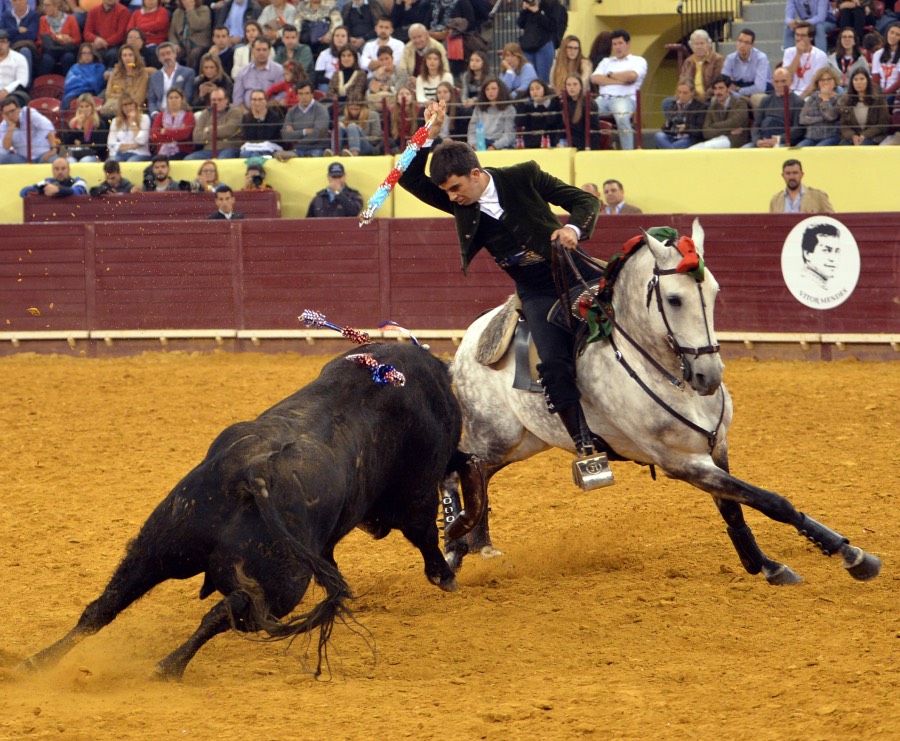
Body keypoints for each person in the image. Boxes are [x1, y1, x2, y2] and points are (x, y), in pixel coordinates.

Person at [397, 98, 609, 486]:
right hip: (536, 291)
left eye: (457, 188)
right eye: (446, 192)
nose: (452, 197)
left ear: (476, 174)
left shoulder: (523, 176)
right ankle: (586, 446)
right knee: (551, 363)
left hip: (576, 273)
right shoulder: (460, 204)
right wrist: (427, 131)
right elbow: (407, 177)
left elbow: (585, 201)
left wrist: (572, 230)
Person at [589, 29, 647, 150]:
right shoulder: (606, 62)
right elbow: (595, 78)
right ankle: (589, 148)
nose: (617, 47)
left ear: (628, 44)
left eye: (620, 43)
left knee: (622, 117)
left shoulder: (638, 61)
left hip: (624, 99)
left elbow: (632, 76)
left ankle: (628, 153)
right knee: (584, 113)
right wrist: (621, 80)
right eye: (614, 44)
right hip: (603, 99)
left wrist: (609, 76)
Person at [745, 67, 804, 147]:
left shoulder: (798, 102)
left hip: (783, 142)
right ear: (772, 82)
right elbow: (756, 125)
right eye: (776, 82)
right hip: (762, 140)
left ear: (791, 81)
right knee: (744, 150)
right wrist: (758, 141)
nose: (779, 85)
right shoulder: (766, 100)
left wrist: (777, 140)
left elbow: (797, 130)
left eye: (783, 81)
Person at [689, 75, 751, 149]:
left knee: (707, 147)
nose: (718, 92)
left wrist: (714, 126)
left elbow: (734, 123)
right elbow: (706, 132)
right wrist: (729, 130)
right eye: (715, 89)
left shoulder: (740, 103)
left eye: (721, 88)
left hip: (735, 140)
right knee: (697, 148)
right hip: (716, 139)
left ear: (728, 88)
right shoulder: (713, 106)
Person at [516, 0, 566, 84]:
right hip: (528, 45)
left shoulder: (552, 6)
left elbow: (552, 26)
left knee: (543, 80)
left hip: (543, 45)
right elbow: (520, 23)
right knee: (528, 80)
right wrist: (524, 10)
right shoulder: (530, 4)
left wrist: (537, 12)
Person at [277, 79, 329, 157]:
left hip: (317, 148)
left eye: (307, 93)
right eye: (300, 94)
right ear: (296, 95)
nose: (304, 97)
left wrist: (295, 135)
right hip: (297, 149)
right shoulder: (292, 111)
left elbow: (318, 134)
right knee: (280, 157)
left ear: (312, 94)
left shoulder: (321, 110)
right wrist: (304, 131)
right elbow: (286, 136)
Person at [188, 86, 243, 158]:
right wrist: (220, 135)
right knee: (189, 159)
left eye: (219, 100)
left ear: (226, 100)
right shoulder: (205, 113)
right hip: (208, 150)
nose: (216, 102)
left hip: (229, 148)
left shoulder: (235, 111)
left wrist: (208, 129)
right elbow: (196, 137)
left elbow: (229, 130)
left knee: (222, 160)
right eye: (213, 100)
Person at [838, 68, 890, 144]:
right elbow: (843, 125)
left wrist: (864, 135)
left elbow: (883, 124)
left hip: (873, 136)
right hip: (852, 137)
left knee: (864, 146)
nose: (859, 82)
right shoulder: (845, 100)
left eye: (862, 79)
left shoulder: (878, 99)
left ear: (868, 81)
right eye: (855, 80)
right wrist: (852, 136)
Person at [0, 95, 57, 163]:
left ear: (19, 109)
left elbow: (48, 127)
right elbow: (6, 147)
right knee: (2, 158)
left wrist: (53, 150)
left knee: (54, 161)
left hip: (42, 154)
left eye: (12, 111)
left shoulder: (29, 113)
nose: (10, 115)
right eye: (7, 113)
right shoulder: (4, 125)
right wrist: (11, 127)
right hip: (23, 158)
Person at [722, 28, 772, 103]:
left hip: (759, 89)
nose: (742, 45)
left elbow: (760, 87)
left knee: (757, 99)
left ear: (753, 45)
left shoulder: (761, 58)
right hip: (738, 86)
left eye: (746, 42)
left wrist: (739, 90)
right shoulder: (730, 58)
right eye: (740, 41)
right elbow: (723, 81)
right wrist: (736, 93)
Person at [653, 79, 706, 149]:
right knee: (659, 135)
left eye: (685, 93)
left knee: (676, 145)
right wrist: (668, 125)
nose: (681, 96)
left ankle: (670, 153)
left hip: (689, 137)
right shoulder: (673, 105)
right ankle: (672, 153)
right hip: (674, 136)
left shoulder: (700, 106)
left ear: (692, 92)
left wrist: (685, 128)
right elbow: (665, 129)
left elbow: (700, 131)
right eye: (679, 92)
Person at [797, 66, 843, 146]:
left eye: (829, 79)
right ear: (818, 83)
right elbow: (802, 119)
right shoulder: (812, 98)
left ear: (835, 81)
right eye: (822, 80)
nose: (825, 82)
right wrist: (822, 118)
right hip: (811, 137)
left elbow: (831, 116)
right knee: (799, 148)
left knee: (819, 149)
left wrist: (825, 99)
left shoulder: (839, 99)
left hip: (830, 136)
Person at [233, 37, 283, 110]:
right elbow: (237, 99)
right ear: (252, 51)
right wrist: (247, 115)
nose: (261, 53)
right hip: (247, 114)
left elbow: (282, 94)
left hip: (271, 112)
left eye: (264, 50)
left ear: (269, 51)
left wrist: (267, 109)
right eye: (258, 50)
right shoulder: (242, 72)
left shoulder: (279, 70)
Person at [783, 21, 830, 98]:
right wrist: (798, 54)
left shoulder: (820, 56)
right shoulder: (788, 52)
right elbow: (787, 76)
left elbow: (814, 83)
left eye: (803, 36)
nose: (798, 39)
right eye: (797, 35)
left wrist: (800, 99)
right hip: (790, 93)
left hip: (810, 95)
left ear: (811, 37)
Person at [101, 43, 151, 116]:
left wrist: (119, 98)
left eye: (130, 55)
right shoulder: (116, 72)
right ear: (121, 58)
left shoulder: (143, 75)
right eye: (124, 55)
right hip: (114, 108)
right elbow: (108, 94)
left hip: (134, 110)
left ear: (135, 57)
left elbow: (139, 98)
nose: (127, 58)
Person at [769, 158, 835, 213]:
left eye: (795, 173)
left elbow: (833, 220)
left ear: (802, 174)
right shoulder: (775, 200)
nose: (791, 177)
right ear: (783, 176)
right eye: (788, 173)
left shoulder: (818, 196)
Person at [467, 76, 516, 150]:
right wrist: (474, 144)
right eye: (487, 89)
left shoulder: (509, 109)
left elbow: (509, 135)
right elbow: (471, 131)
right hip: (481, 145)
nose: (490, 92)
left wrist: (494, 146)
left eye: (493, 89)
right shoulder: (478, 108)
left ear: (500, 90)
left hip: (501, 147)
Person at [148, 41, 196, 115]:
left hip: (180, 112)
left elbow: (187, 97)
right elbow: (151, 99)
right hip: (159, 114)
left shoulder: (188, 73)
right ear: (159, 58)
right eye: (162, 55)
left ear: (175, 54)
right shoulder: (154, 76)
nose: (166, 57)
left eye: (168, 53)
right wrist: (154, 113)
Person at [37, 0, 81, 77]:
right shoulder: (43, 19)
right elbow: (40, 39)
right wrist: (54, 39)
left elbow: (77, 39)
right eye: (44, 5)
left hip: (66, 49)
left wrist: (69, 40)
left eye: (47, 5)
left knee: (68, 57)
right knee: (47, 59)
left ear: (56, 6)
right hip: (50, 51)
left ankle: (69, 84)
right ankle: (42, 85)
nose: (44, 8)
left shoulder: (70, 19)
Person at [60, 92, 108, 161]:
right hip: (75, 154)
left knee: (85, 160)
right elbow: (67, 144)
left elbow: (98, 146)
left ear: (92, 107)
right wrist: (78, 128)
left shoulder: (99, 124)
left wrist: (81, 143)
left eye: (87, 106)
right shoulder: (73, 123)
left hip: (93, 155)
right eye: (81, 106)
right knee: (70, 161)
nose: (84, 109)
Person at [1, 0, 40, 84]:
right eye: (14, 0)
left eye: (19, 0)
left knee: (25, 51)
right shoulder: (6, 16)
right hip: (7, 46)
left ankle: (24, 86)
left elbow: (31, 36)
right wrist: (17, 30)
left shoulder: (34, 15)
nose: (17, 2)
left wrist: (11, 35)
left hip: (26, 46)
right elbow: (2, 34)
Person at [515, 77, 561, 147]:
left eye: (537, 88)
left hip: (552, 144)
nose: (534, 92)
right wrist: (522, 106)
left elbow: (556, 124)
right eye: (532, 89)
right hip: (532, 144)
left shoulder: (555, 104)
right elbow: (519, 122)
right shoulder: (527, 107)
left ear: (544, 89)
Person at [150, 87, 195, 157]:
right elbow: (154, 135)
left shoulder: (188, 115)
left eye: (176, 97)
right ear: (167, 100)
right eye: (170, 98)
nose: (173, 100)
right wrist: (175, 135)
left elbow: (184, 135)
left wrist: (165, 131)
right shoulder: (160, 115)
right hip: (162, 152)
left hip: (182, 151)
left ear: (182, 100)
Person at [559, 73, 600, 150]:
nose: (571, 87)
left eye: (575, 84)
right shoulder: (563, 103)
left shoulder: (589, 104)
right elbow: (561, 127)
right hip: (569, 145)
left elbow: (594, 129)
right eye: (569, 85)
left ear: (581, 86)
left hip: (584, 145)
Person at [107, 92, 152, 160]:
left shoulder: (144, 118)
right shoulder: (115, 121)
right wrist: (132, 146)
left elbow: (142, 141)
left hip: (139, 154)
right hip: (120, 154)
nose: (128, 107)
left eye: (130, 104)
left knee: (131, 161)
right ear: (121, 107)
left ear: (135, 105)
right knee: (111, 162)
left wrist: (133, 122)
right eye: (124, 105)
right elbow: (111, 144)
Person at [168, 0, 210, 70]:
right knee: (172, 52)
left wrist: (190, 10)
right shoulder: (177, 12)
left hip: (198, 44)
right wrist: (174, 44)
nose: (187, 1)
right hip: (182, 43)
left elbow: (198, 25)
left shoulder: (204, 10)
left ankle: (191, 75)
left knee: (194, 54)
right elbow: (172, 32)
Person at [798, 222, 841, 289]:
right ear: (807, 254)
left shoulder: (820, 286)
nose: (833, 258)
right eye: (826, 250)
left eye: (837, 251)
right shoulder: (805, 285)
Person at [241, 86, 283, 155]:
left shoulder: (273, 117)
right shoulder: (246, 117)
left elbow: (265, 137)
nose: (257, 103)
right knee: (244, 154)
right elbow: (249, 137)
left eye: (260, 99)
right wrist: (255, 118)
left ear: (266, 101)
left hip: (270, 148)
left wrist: (260, 119)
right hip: (252, 147)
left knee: (256, 155)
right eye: (254, 99)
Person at [62, 43, 105, 108]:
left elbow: (95, 82)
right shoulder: (75, 67)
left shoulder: (99, 67)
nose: (86, 56)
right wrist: (86, 81)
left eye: (89, 53)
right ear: (80, 55)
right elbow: (69, 83)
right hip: (74, 93)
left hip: (91, 93)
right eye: (84, 53)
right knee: (68, 100)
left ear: (93, 54)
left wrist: (80, 79)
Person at [19, 155, 87, 197]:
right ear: (52, 171)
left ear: (69, 170)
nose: (60, 172)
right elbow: (23, 192)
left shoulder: (79, 181)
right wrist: (40, 189)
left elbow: (79, 192)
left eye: (63, 169)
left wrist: (58, 190)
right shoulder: (48, 181)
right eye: (56, 169)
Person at [366, 43, 409, 108]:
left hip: (397, 104)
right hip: (378, 103)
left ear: (392, 58)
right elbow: (372, 91)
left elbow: (399, 89)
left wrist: (388, 89)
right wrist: (378, 77)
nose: (384, 62)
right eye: (381, 60)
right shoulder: (375, 73)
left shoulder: (401, 72)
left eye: (387, 59)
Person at [313, 24, 348, 91]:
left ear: (347, 38)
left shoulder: (354, 54)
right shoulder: (324, 54)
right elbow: (318, 76)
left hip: (347, 83)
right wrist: (332, 82)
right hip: (328, 83)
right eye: (337, 36)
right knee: (324, 87)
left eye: (343, 36)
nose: (340, 38)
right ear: (333, 38)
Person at [871, 22, 900, 100]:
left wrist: (885, 94)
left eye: (897, 34)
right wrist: (878, 94)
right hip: (881, 92)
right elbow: (875, 79)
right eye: (891, 32)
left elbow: (899, 82)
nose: (893, 36)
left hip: (896, 92)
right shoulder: (877, 54)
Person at [0, 28, 28, 107]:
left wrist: (6, 90)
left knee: (15, 100)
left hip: (11, 93)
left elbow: (22, 81)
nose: (0, 45)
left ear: (8, 43)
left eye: (3, 42)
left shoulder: (19, 58)